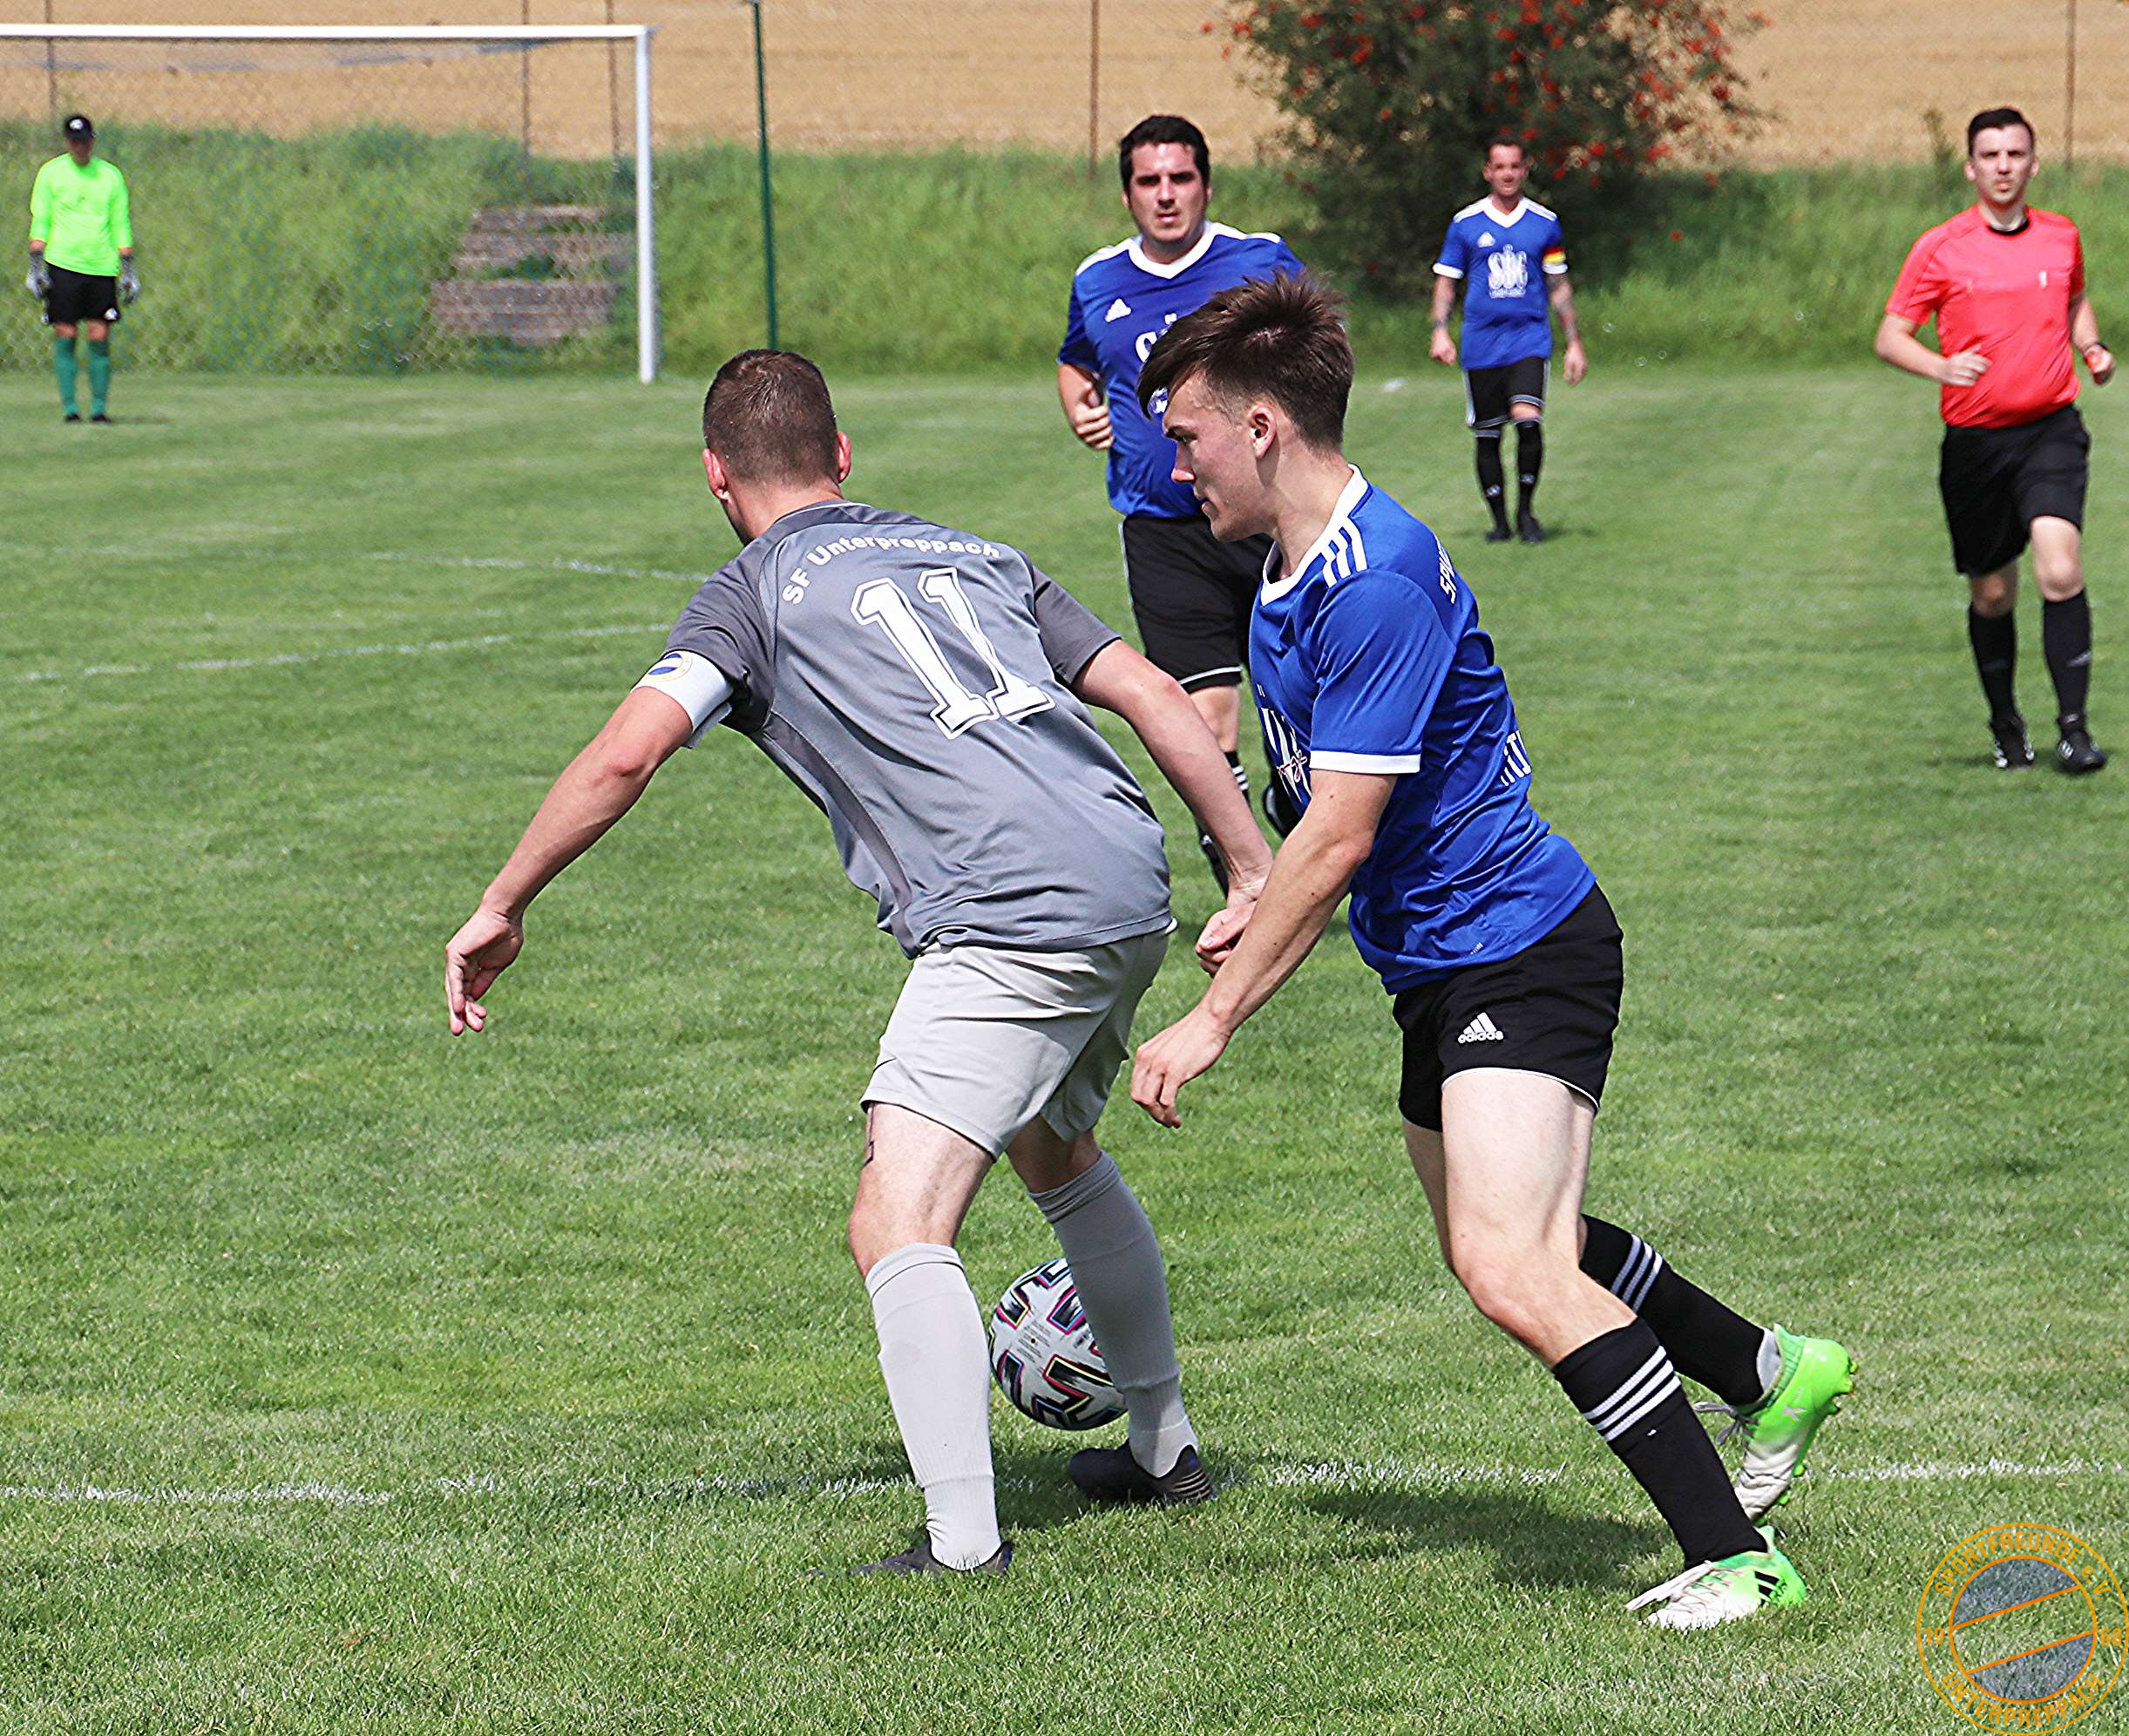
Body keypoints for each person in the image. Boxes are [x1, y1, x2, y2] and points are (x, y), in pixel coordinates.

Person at [444, 349, 1272, 1575]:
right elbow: (1152, 691)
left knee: (896, 1219)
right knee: (1052, 1149)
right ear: (840, 456)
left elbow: (626, 754)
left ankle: (962, 1545)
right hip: (1124, 880)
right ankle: (1162, 1448)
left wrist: (504, 901)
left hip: (1007, 914)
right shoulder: (976, 552)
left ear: (715, 477)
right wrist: (1249, 868)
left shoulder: (746, 597)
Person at [1126, 275, 1853, 1630]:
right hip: (1437, 963)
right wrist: (1256, 894)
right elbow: (1321, 816)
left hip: (1518, 948)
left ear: (1261, 427)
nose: (1174, 467)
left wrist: (1212, 1017)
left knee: (1510, 1264)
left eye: (1186, 438)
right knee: (1528, 1241)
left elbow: (1339, 837)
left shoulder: (1373, 580)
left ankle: (1736, 1558)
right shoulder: (1285, 576)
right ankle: (1768, 1371)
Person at [1057, 113, 1308, 889]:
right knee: (1207, 716)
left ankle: (1297, 804)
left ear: (1205, 184)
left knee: (1304, 706)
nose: (1165, 195)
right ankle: (1247, 880)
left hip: (1266, 522)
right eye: (1148, 181)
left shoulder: (1257, 261)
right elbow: (1076, 360)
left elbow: (1318, 352)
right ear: (1127, 194)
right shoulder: (1097, 279)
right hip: (1161, 529)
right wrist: (1078, 407)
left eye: (1179, 178)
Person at [1876, 105, 2112, 775]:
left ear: (2033, 164)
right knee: (1992, 596)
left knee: (2059, 569)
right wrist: (1940, 367)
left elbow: (2072, 299)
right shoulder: (1939, 247)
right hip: (1976, 445)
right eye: (1990, 156)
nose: (2003, 167)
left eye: (2014, 154)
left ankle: (2074, 733)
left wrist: (2089, 346)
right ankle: (2006, 721)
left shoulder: (2060, 236)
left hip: (2050, 431)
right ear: (1970, 167)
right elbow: (1890, 336)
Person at [1429, 132, 1586, 545]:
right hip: (1481, 343)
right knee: (1488, 433)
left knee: (1528, 420)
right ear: (1488, 172)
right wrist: (1440, 331)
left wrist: (1573, 341)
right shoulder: (1465, 224)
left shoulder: (1544, 223)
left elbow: (1558, 285)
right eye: (1500, 167)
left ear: (1525, 170)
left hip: (1528, 338)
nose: (1508, 174)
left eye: (1515, 166)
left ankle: (1526, 512)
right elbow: (1447, 282)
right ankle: (1499, 520)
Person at [27, 114, 137, 425]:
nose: (80, 147)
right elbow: (42, 218)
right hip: (63, 263)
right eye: (75, 141)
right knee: (66, 331)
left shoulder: (110, 176)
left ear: (93, 141)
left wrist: (128, 267)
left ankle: (99, 408)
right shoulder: (51, 173)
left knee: (99, 333)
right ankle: (70, 409)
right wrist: (36, 263)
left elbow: (120, 221)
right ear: (67, 142)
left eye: (85, 141)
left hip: (101, 265)